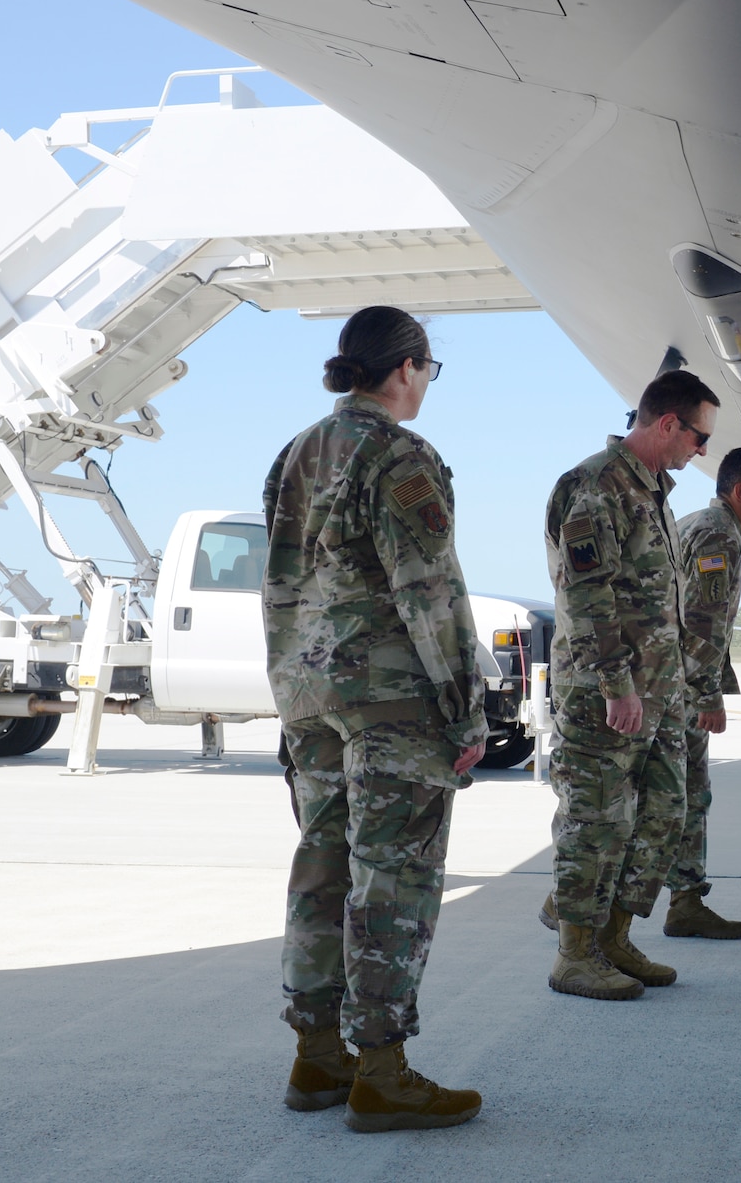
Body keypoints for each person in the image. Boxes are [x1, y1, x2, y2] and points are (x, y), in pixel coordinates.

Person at [265, 305, 485, 1133]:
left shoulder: (299, 453)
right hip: (389, 701)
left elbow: (279, 585)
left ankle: (317, 1055)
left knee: (322, 865)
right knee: (393, 877)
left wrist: (290, 689)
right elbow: (429, 588)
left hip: (310, 694)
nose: (426, 384)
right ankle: (382, 1071)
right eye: (428, 369)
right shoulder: (399, 454)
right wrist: (467, 711)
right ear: (405, 367)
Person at [541, 370, 717, 1000]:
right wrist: (617, 685)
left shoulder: (653, 494)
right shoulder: (594, 487)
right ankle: (575, 953)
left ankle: (614, 935)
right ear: (668, 423)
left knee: (665, 812)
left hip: (659, 692)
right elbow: (587, 598)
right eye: (699, 438)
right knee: (597, 820)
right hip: (607, 694)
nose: (702, 452)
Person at [667, 447, 741, 940]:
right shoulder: (719, 535)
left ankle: (684, 900)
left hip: (669, 683)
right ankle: (677, 902)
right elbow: (702, 622)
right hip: (683, 690)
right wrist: (707, 695)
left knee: (681, 793)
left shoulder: (699, 522)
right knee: (684, 795)